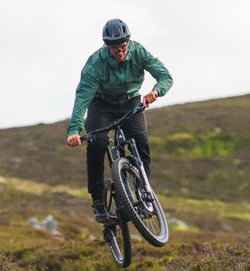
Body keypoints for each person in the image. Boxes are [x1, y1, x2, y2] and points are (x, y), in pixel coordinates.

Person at [65, 18, 173, 223]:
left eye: (122, 46)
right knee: (97, 144)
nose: (119, 51)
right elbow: (83, 97)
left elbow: (165, 76)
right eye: (114, 48)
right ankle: (97, 199)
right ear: (107, 46)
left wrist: (155, 92)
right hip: (101, 105)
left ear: (128, 43)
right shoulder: (95, 63)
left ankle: (145, 193)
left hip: (130, 101)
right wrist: (74, 129)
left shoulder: (139, 52)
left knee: (141, 142)